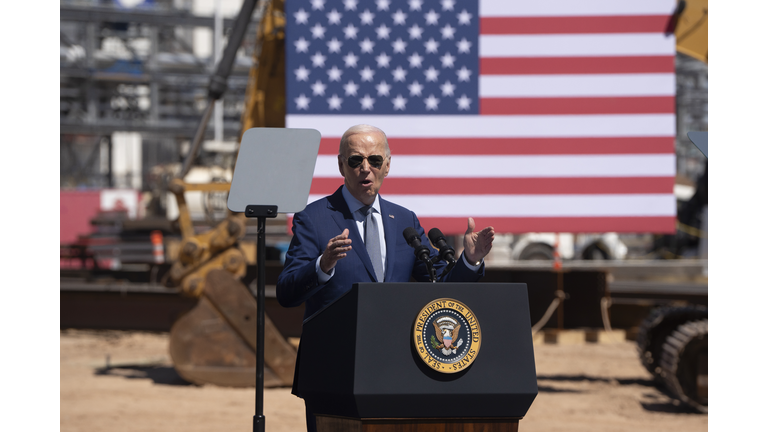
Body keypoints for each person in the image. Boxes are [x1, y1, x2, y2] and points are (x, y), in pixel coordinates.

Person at [276, 124, 495, 431]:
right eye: (356, 160)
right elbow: (286, 292)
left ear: (387, 166)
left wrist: (470, 260)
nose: (365, 168)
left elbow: (439, 284)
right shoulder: (314, 218)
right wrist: (322, 265)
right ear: (341, 165)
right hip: (333, 370)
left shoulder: (404, 220)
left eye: (375, 160)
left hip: (397, 366)